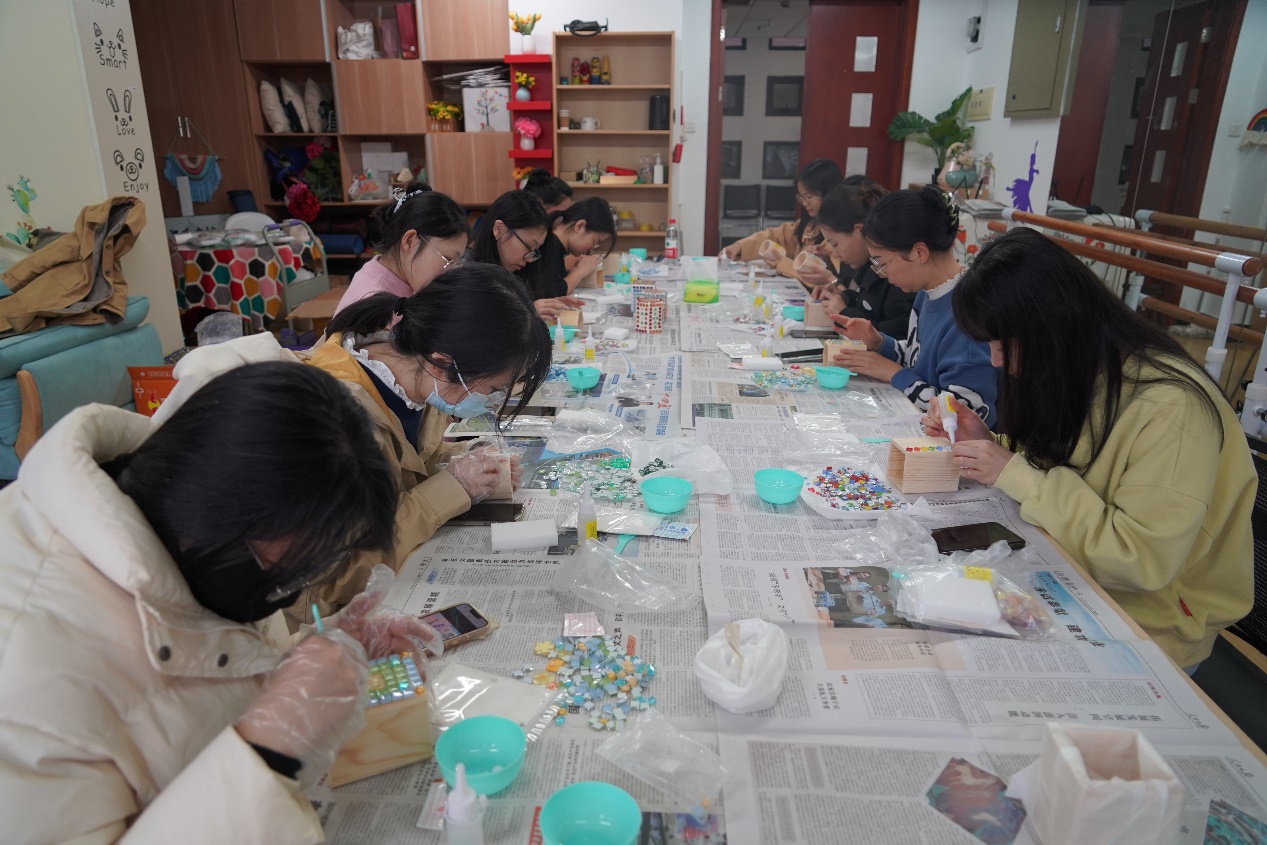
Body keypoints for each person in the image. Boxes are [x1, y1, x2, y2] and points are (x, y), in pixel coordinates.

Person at [0, 361, 442, 842]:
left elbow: (206, 652)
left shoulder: (188, 534)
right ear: (216, 514)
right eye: (286, 572)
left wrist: (320, 650)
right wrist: (267, 751)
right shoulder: (26, 669)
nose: (291, 590)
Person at [922, 228, 1255, 670]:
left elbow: (1140, 561)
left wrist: (1012, 472)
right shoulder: (1079, 368)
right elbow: (1055, 466)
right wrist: (987, 444)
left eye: (1003, 344)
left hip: (1148, 622)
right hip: (1072, 574)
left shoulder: (1171, 408)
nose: (997, 360)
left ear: (1054, 328)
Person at [298, 265, 551, 618]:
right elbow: (340, 575)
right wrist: (452, 489)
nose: (493, 403)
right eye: (493, 390)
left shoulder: (415, 375)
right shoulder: (334, 423)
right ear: (444, 364)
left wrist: (467, 460)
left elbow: (408, 461)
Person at [831, 186, 997, 427]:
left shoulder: (968, 314)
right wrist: (880, 343)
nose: (881, 273)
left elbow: (964, 414)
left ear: (919, 252)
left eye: (881, 263)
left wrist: (894, 373)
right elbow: (916, 358)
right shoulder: (927, 292)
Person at [335, 182, 468, 314]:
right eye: (448, 259)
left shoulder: (407, 279)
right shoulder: (373, 306)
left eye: (457, 263)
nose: (451, 272)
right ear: (410, 241)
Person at [810, 181, 916, 338]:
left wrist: (845, 312)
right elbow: (869, 307)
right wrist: (845, 297)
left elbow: (892, 338)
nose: (835, 253)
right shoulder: (864, 265)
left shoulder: (898, 274)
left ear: (859, 230)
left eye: (835, 244)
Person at [722, 158, 843, 282]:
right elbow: (776, 236)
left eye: (808, 197)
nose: (804, 203)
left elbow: (822, 279)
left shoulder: (837, 234)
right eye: (801, 197)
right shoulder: (810, 225)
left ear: (829, 194)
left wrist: (783, 264)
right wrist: (739, 247)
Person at [469, 189, 583, 319]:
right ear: (499, 229)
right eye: (528, 246)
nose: (530, 259)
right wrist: (526, 311)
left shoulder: (512, 272)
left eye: (535, 250)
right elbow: (476, 322)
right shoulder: (467, 272)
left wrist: (547, 306)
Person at [521, 197, 617, 299]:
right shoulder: (550, 244)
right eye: (595, 242)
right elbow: (553, 292)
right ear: (579, 226)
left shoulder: (556, 244)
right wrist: (581, 271)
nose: (592, 248)